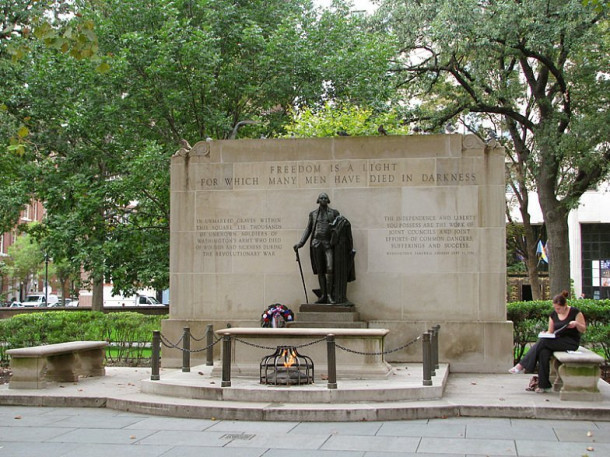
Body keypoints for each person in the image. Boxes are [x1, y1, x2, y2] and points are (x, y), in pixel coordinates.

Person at [509, 291, 587, 393]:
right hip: (556, 340)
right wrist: (545, 332)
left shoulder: (575, 312)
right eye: (555, 308)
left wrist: (576, 324)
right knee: (543, 352)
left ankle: (521, 365)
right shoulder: (553, 315)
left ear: (565, 306)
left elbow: (583, 329)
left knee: (543, 342)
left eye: (558, 308)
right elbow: (551, 331)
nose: (556, 310)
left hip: (570, 342)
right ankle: (543, 385)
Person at [294, 192, 354, 304]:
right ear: (318, 200)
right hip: (316, 243)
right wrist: (301, 243)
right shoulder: (313, 214)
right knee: (320, 270)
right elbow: (308, 229)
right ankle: (323, 296)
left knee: (330, 268)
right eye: (321, 198)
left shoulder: (334, 213)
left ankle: (330, 295)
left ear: (328, 200)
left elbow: (340, 226)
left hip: (328, 244)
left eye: (325, 198)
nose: (323, 199)